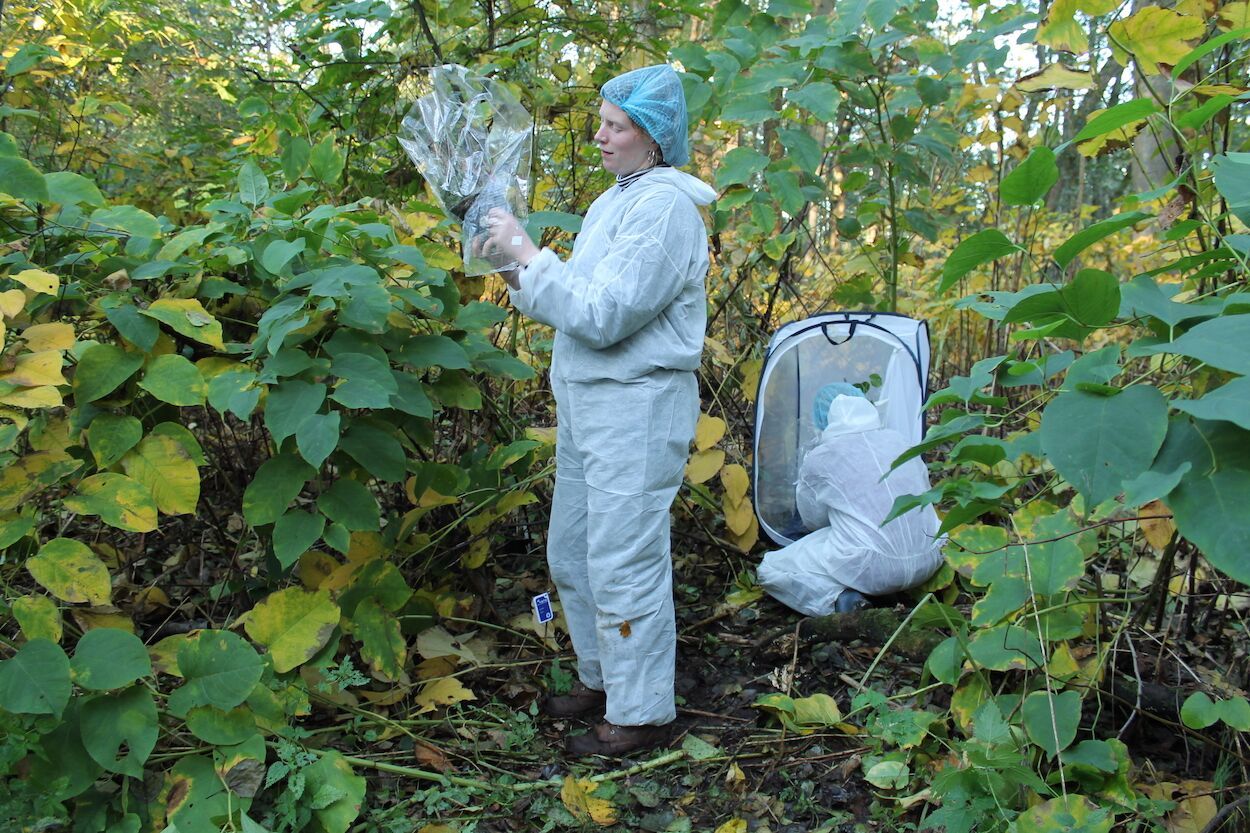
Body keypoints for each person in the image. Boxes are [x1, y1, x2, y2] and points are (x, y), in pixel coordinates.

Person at [479, 64, 716, 757]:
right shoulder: (619, 199)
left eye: (615, 126)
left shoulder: (666, 209)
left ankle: (641, 711)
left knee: (622, 558)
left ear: (653, 136)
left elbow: (604, 314)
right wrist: (508, 262)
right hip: (591, 406)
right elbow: (575, 293)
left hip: (637, 411)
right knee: (573, 550)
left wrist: (528, 252)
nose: (600, 136)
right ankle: (602, 677)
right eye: (602, 122)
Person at [756, 383, 944, 617]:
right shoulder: (900, 441)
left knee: (771, 568)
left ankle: (841, 601)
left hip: (868, 568)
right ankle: (899, 592)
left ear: (823, 420)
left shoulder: (820, 458)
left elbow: (813, 521)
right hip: (930, 556)